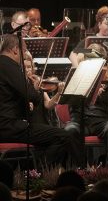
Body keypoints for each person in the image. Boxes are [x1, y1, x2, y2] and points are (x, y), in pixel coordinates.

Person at [0, 34, 78, 165]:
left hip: (7, 125)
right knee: (63, 136)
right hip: (10, 127)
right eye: (23, 51)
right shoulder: (9, 65)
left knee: (48, 139)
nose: (23, 55)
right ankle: (41, 171)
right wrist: (35, 91)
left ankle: (38, 171)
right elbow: (33, 96)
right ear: (14, 49)